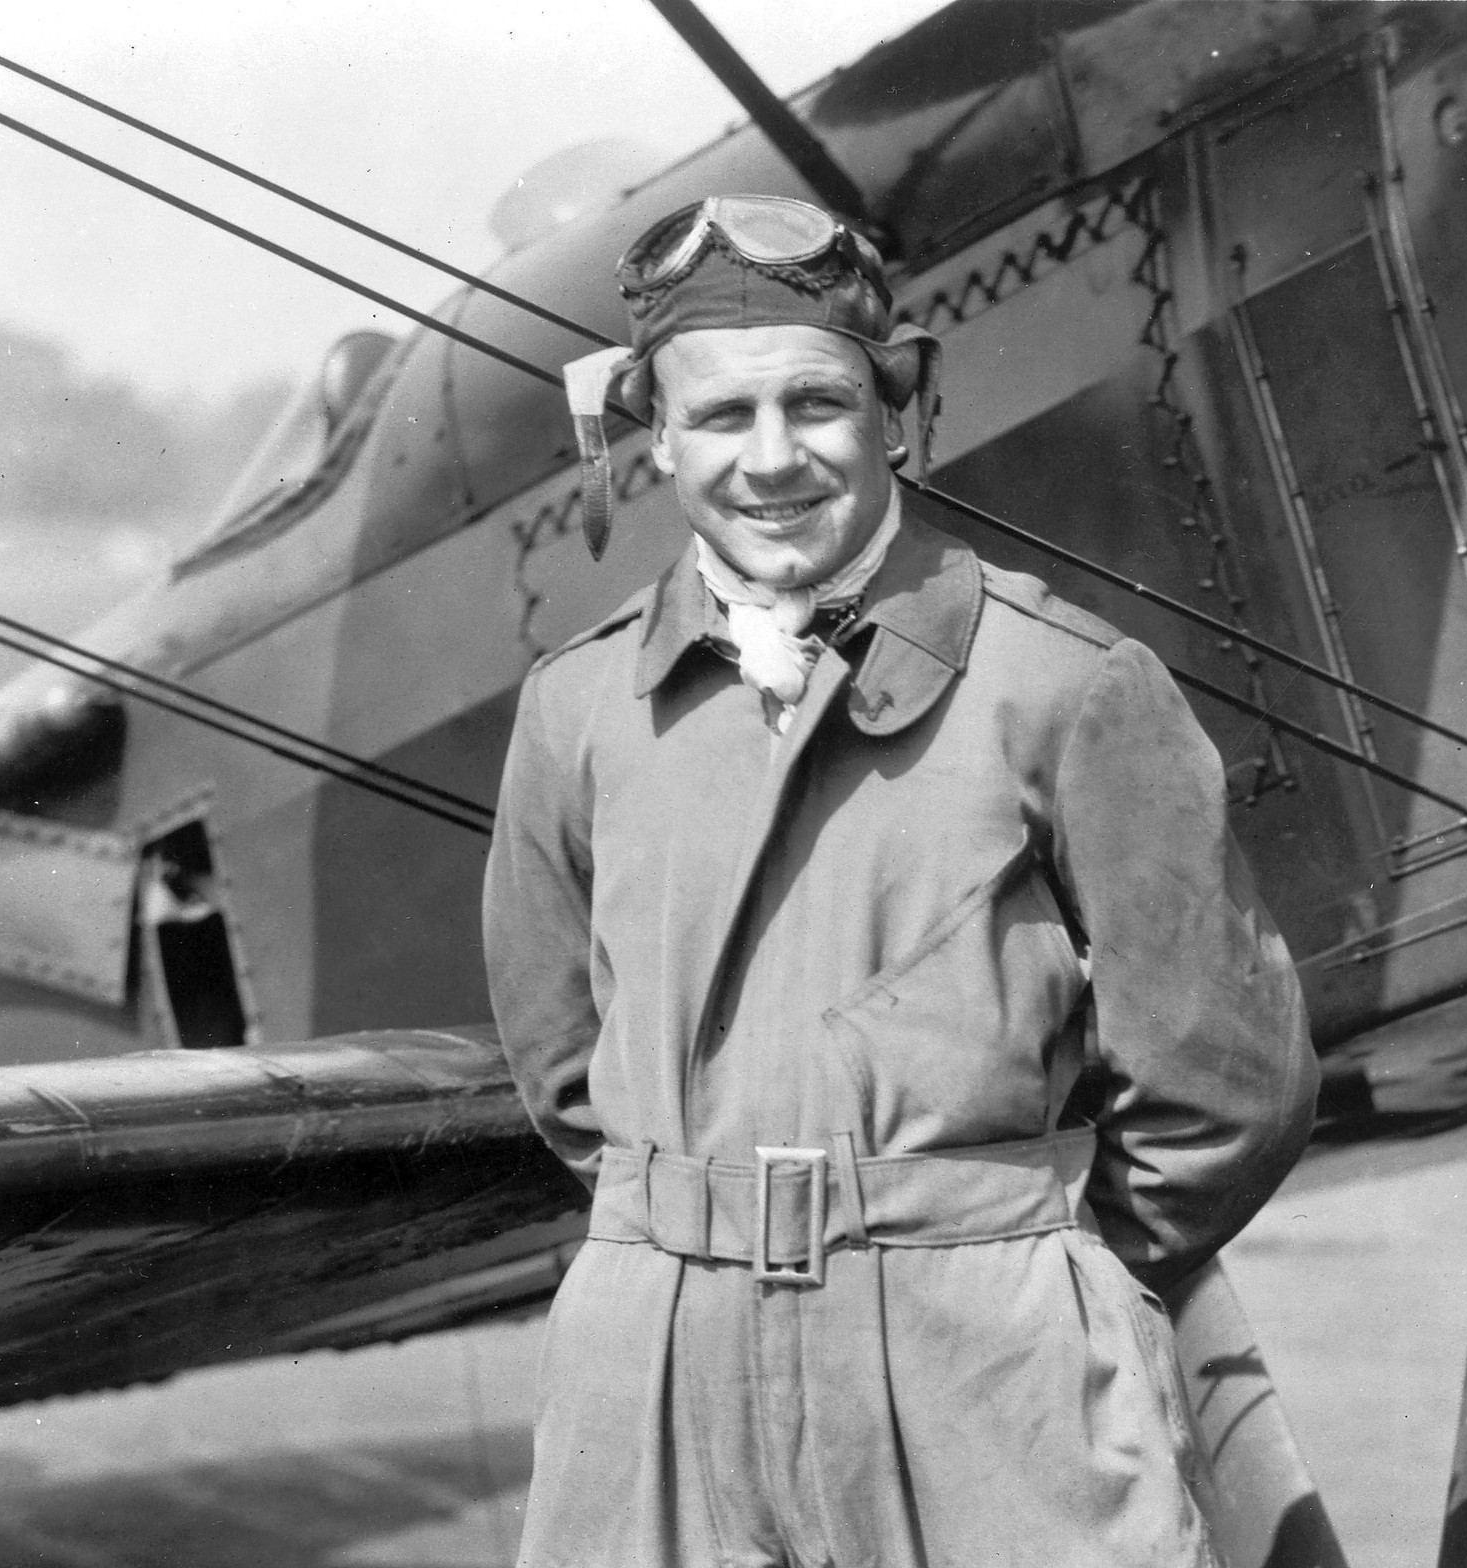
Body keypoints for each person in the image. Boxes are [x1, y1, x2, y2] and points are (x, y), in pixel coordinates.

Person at [483, 193, 1317, 1568]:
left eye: (815, 405)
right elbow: (561, 1063)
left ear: (899, 405)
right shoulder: (575, 712)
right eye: (718, 419)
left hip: (989, 1379)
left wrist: (1033, 1284)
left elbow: (1226, 1087)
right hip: (659, 1376)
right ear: (656, 439)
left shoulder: (1071, 689)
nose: (770, 461)